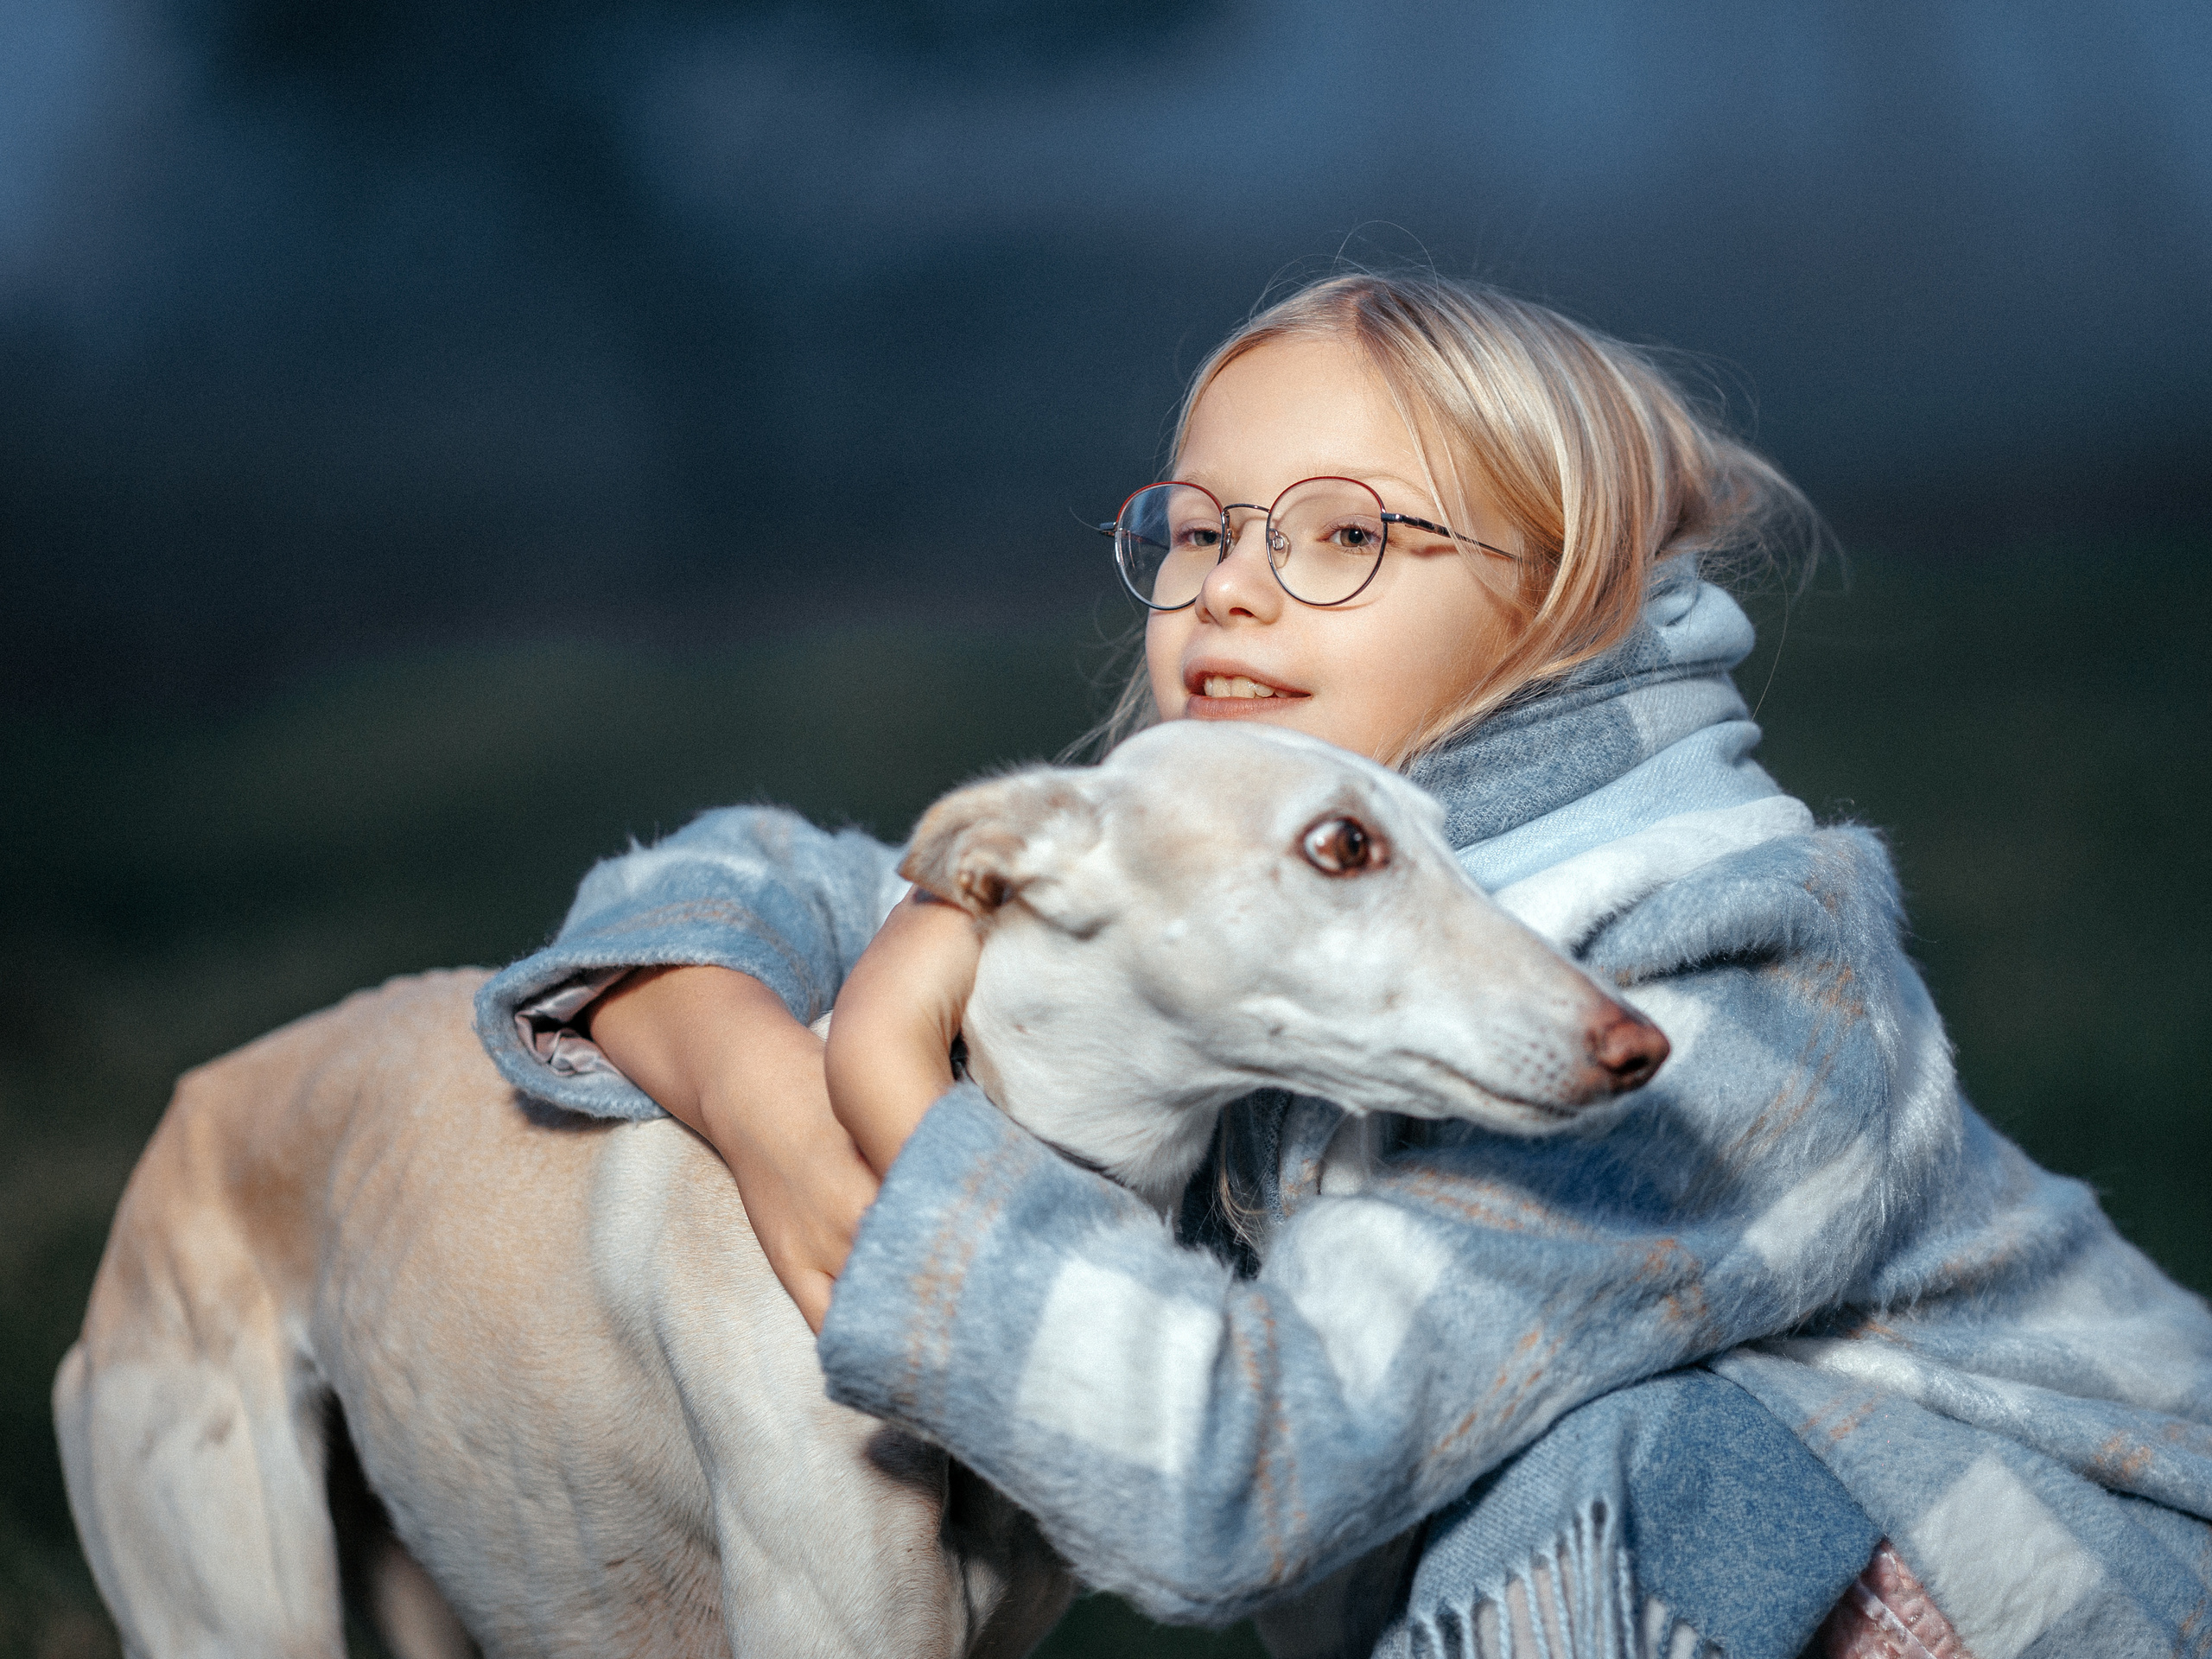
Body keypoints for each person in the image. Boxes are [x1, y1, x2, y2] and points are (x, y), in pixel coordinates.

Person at [476, 273, 2212, 1658]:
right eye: (1201, 528)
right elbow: (743, 870)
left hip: (2036, 1590)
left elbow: (1253, 1467)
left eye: (1340, 536)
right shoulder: (1226, 873)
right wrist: (743, 1071)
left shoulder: (1734, 975)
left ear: (1571, 607)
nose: (1229, 588)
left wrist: (895, 1117)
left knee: (1627, 1468)